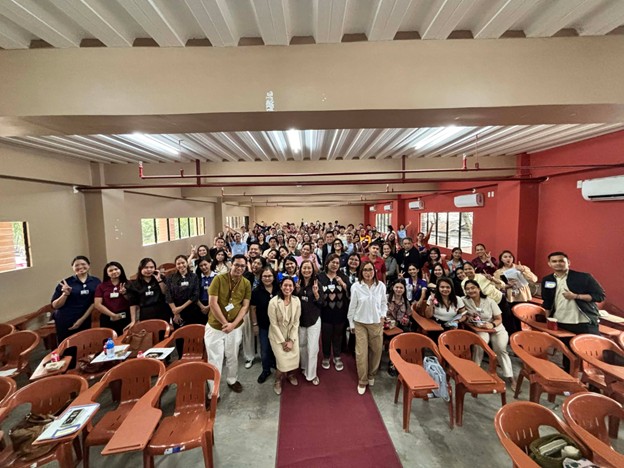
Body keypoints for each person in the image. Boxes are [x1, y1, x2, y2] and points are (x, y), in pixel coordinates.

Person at [204, 254, 252, 396]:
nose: (239, 268)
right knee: (215, 358)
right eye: (237, 265)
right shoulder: (218, 279)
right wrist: (225, 323)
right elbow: (212, 303)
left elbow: (245, 306)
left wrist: (233, 324)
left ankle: (232, 380)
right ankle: (214, 392)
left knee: (233, 355)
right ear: (231, 264)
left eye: (242, 266)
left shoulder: (246, 283)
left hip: (235, 327)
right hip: (215, 326)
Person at [463, 279, 515, 386]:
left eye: (473, 288)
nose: (470, 291)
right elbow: (463, 314)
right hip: (480, 328)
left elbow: (499, 318)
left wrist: (492, 324)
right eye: (467, 289)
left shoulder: (489, 301)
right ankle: (476, 370)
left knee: (500, 348)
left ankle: (510, 376)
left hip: (496, 328)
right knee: (480, 344)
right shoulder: (464, 301)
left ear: (479, 289)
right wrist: (469, 317)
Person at [541, 252, 605, 337]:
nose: (557, 263)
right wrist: (548, 319)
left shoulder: (583, 277)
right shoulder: (547, 280)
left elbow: (600, 296)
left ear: (568, 262)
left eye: (561, 261)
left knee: (587, 345)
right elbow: (547, 301)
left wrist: (576, 296)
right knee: (561, 345)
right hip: (559, 321)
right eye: (554, 261)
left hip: (584, 322)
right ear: (549, 264)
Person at [348, 260, 387, 395]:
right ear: (361, 272)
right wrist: (351, 323)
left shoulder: (381, 286)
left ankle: (371, 374)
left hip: (376, 323)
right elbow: (352, 306)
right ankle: (362, 380)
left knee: (376, 351)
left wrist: (383, 316)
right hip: (360, 323)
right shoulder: (356, 286)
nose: (368, 273)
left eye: (370, 269)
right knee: (361, 353)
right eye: (365, 270)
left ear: (375, 271)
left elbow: (383, 303)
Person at [51, 255, 101, 342]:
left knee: (84, 343)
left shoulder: (96, 281)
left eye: (83, 264)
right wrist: (65, 294)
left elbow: (94, 302)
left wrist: (81, 320)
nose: (80, 267)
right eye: (77, 265)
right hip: (65, 319)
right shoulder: (66, 283)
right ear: (72, 267)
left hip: (84, 318)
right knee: (67, 344)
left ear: (89, 265)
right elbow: (55, 305)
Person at [461, 262, 516, 334]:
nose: (468, 271)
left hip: (498, 300)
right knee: (491, 322)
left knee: (507, 320)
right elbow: (468, 296)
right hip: (485, 305)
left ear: (474, 269)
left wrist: (492, 279)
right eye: (465, 269)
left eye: (470, 268)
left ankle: (512, 336)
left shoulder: (482, 276)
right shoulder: (463, 283)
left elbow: (502, 285)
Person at [268, 277, 302, 395]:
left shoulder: (296, 300)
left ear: (294, 287)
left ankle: (291, 375)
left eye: (290, 285)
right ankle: (278, 380)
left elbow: (296, 322)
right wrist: (283, 342)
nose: (288, 288)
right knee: (282, 362)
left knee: (294, 358)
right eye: (285, 285)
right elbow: (273, 324)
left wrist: (291, 340)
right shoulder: (273, 302)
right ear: (281, 286)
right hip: (277, 336)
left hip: (292, 334)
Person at [318, 253, 350, 372]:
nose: (335, 265)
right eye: (333, 262)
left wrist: (343, 284)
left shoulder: (343, 276)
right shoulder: (320, 277)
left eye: (337, 263)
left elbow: (350, 292)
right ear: (327, 263)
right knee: (326, 336)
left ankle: (337, 356)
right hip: (325, 313)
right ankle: (326, 356)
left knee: (338, 336)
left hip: (340, 313)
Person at [250, 267, 278, 384]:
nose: (267, 278)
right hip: (263, 325)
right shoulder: (256, 292)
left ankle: (275, 364)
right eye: (264, 276)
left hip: (278, 326)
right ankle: (266, 370)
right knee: (265, 349)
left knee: (276, 348)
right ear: (261, 278)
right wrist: (255, 324)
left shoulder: (279, 289)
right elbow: (253, 309)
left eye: (269, 276)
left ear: (274, 277)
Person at [297, 260, 322, 386]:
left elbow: (322, 303)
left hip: (314, 320)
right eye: (304, 268)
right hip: (300, 320)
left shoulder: (317, 283)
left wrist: (316, 294)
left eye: (309, 268)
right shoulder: (297, 283)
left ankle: (311, 374)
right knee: (302, 345)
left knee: (312, 348)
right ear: (300, 269)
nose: (306, 270)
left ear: (313, 270)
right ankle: (303, 366)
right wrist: (296, 291)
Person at [126, 258, 170, 327]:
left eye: (151, 267)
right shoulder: (134, 283)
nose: (149, 270)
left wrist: (159, 280)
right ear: (140, 268)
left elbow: (165, 292)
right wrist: (133, 320)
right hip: (146, 313)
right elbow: (133, 303)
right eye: (146, 267)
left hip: (161, 311)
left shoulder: (161, 278)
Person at [94, 261, 131, 336]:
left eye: (116, 269)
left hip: (125, 316)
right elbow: (97, 304)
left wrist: (124, 294)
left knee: (126, 339)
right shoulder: (101, 286)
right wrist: (112, 315)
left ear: (120, 270)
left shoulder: (129, 283)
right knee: (109, 340)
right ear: (107, 273)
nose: (114, 272)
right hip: (107, 317)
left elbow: (133, 301)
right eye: (111, 270)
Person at [424, 277, 466, 342]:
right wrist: (431, 303)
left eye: (448, 287)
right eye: (442, 287)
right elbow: (428, 316)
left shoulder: (457, 299)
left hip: (453, 324)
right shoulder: (432, 298)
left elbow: (464, 315)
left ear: (451, 288)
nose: (445, 289)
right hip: (437, 326)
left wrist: (457, 321)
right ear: (438, 288)